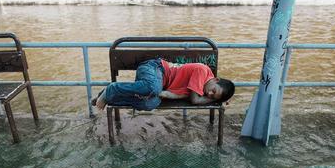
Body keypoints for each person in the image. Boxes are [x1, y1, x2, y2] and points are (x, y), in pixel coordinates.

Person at [92, 58, 235, 110]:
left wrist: (221, 99)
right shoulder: (203, 71)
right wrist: (212, 100)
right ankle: (112, 88)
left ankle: (110, 97)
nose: (209, 94)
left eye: (212, 96)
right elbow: (195, 100)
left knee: (150, 104)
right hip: (155, 68)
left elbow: (164, 94)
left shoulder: (199, 89)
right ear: (216, 79)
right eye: (213, 91)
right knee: (152, 87)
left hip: (158, 86)